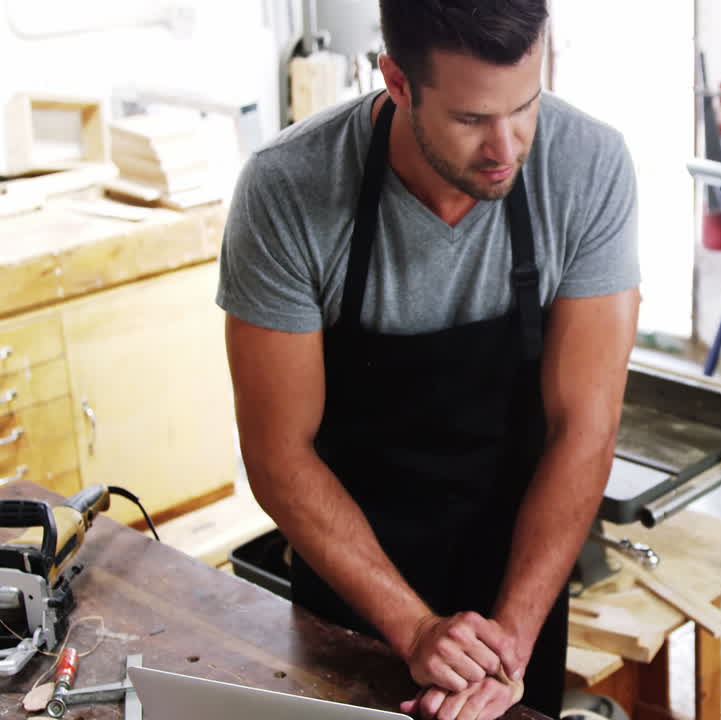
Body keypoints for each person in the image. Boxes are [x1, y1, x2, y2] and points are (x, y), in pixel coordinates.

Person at [217, 1, 640, 718]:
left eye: (526, 105)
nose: (506, 146)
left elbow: (585, 430)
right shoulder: (287, 190)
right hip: (351, 571)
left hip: (518, 565)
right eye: (472, 119)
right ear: (397, 81)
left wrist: (507, 647)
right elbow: (277, 453)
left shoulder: (588, 166)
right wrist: (412, 627)